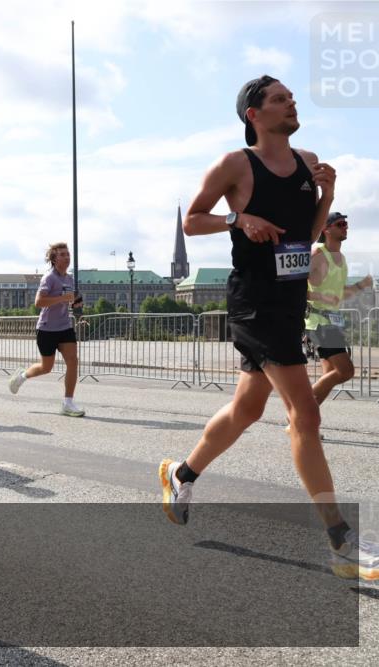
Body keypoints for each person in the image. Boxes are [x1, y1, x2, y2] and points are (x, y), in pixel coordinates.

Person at [158, 75, 376, 581]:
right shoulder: (237, 163)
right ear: (254, 114)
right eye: (280, 99)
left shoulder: (306, 161)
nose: (291, 102)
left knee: (247, 408)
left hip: (290, 298)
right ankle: (341, 540)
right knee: (304, 413)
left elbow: (308, 229)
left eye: (291, 97)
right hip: (255, 301)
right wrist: (238, 220)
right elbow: (192, 220)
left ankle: (181, 473)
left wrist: (329, 192)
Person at [7, 242, 86, 417]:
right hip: (47, 329)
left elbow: (69, 300)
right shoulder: (49, 278)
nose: (67, 257)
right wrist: (61, 298)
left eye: (68, 254)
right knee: (46, 367)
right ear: (54, 259)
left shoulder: (69, 278)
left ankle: (68, 402)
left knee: (73, 361)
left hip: (65, 326)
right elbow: (39, 302)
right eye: (62, 254)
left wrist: (75, 303)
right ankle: (21, 376)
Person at [304, 212, 373, 407]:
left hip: (331, 322)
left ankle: (303, 423)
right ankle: (298, 411)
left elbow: (340, 293)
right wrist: (320, 296)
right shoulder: (318, 253)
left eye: (346, 224)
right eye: (340, 224)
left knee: (329, 376)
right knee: (345, 371)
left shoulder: (340, 259)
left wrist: (361, 285)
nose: (345, 227)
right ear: (326, 229)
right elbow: (295, 287)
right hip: (319, 322)